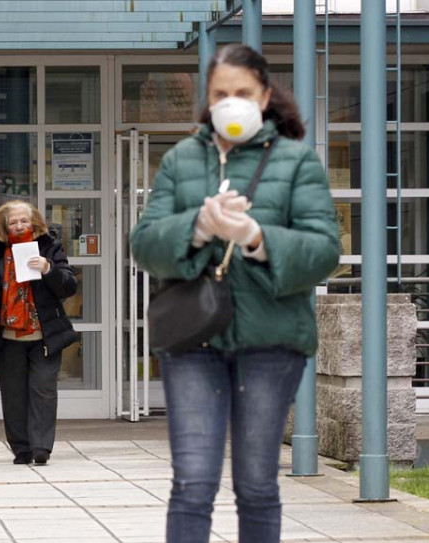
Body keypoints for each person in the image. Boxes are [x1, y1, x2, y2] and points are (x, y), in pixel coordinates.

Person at [130, 44, 340, 543]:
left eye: (242, 93)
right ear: (207, 98)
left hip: (271, 342)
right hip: (192, 340)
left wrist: (256, 237)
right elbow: (143, 244)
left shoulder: (295, 161)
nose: (231, 103)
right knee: (192, 483)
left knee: (257, 483)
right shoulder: (182, 158)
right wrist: (198, 226)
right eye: (220, 93)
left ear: (265, 96)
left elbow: (324, 250)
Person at [0, 201, 77, 466]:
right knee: (13, 395)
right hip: (7, 336)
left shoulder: (50, 247)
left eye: (23, 221)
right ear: (4, 226)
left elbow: (69, 286)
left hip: (44, 335)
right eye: (12, 222)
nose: (18, 226)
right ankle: (21, 448)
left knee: (43, 391)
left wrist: (49, 269)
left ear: (34, 222)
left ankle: (41, 447)